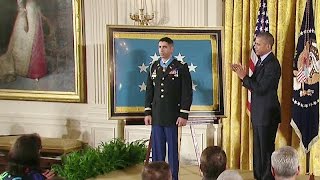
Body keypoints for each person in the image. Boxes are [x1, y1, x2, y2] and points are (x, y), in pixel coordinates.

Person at [231, 32, 281, 180]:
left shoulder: (272, 64)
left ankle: (266, 178)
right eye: (255, 43)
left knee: (265, 150)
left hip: (268, 114)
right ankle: (258, 176)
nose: (255, 46)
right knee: (258, 150)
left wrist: (244, 77)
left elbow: (261, 88)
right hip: (259, 113)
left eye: (258, 44)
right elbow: (254, 84)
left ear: (268, 46)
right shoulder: (261, 61)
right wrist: (244, 75)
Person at [144, 37, 193, 180]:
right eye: (159, 47)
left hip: (173, 116)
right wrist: (148, 112)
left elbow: (187, 92)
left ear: (172, 49)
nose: (161, 50)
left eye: (165, 47)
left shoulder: (181, 67)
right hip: (157, 116)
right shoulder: (153, 66)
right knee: (158, 152)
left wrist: (184, 114)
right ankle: (157, 177)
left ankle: (173, 177)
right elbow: (149, 91)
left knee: (172, 152)